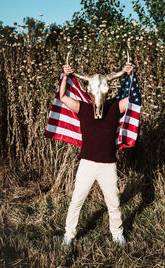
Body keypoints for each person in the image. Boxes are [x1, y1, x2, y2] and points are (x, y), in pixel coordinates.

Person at [59, 62, 133, 247]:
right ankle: (69, 235)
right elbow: (62, 96)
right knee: (77, 200)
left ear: (107, 90)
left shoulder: (115, 108)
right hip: (87, 165)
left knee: (114, 203)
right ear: (89, 90)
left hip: (108, 165)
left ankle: (117, 235)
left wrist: (130, 75)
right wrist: (66, 76)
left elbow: (133, 99)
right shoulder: (83, 109)